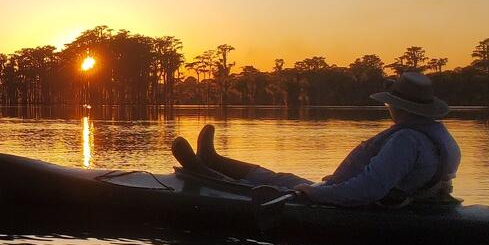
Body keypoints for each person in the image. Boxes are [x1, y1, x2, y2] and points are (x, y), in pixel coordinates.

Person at [171, 72, 461, 207]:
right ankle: (213, 159)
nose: (389, 108)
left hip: (360, 206)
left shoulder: (406, 141)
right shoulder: (436, 135)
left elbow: (368, 190)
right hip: (382, 198)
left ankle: (204, 171)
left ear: (399, 106)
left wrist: (315, 194)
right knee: (282, 177)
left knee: (272, 185)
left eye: (390, 103)